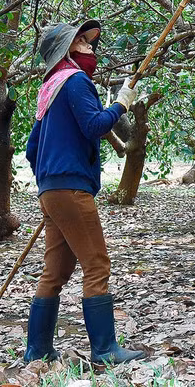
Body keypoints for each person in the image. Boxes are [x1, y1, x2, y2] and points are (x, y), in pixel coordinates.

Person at [23, 19, 145, 365]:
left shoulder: (49, 90)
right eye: (81, 40)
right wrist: (121, 104)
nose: (90, 45)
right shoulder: (75, 81)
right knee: (96, 264)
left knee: (56, 272)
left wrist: (50, 184)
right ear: (66, 50)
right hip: (70, 187)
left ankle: (38, 350)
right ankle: (105, 350)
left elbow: (33, 149)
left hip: (52, 188)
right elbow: (94, 126)